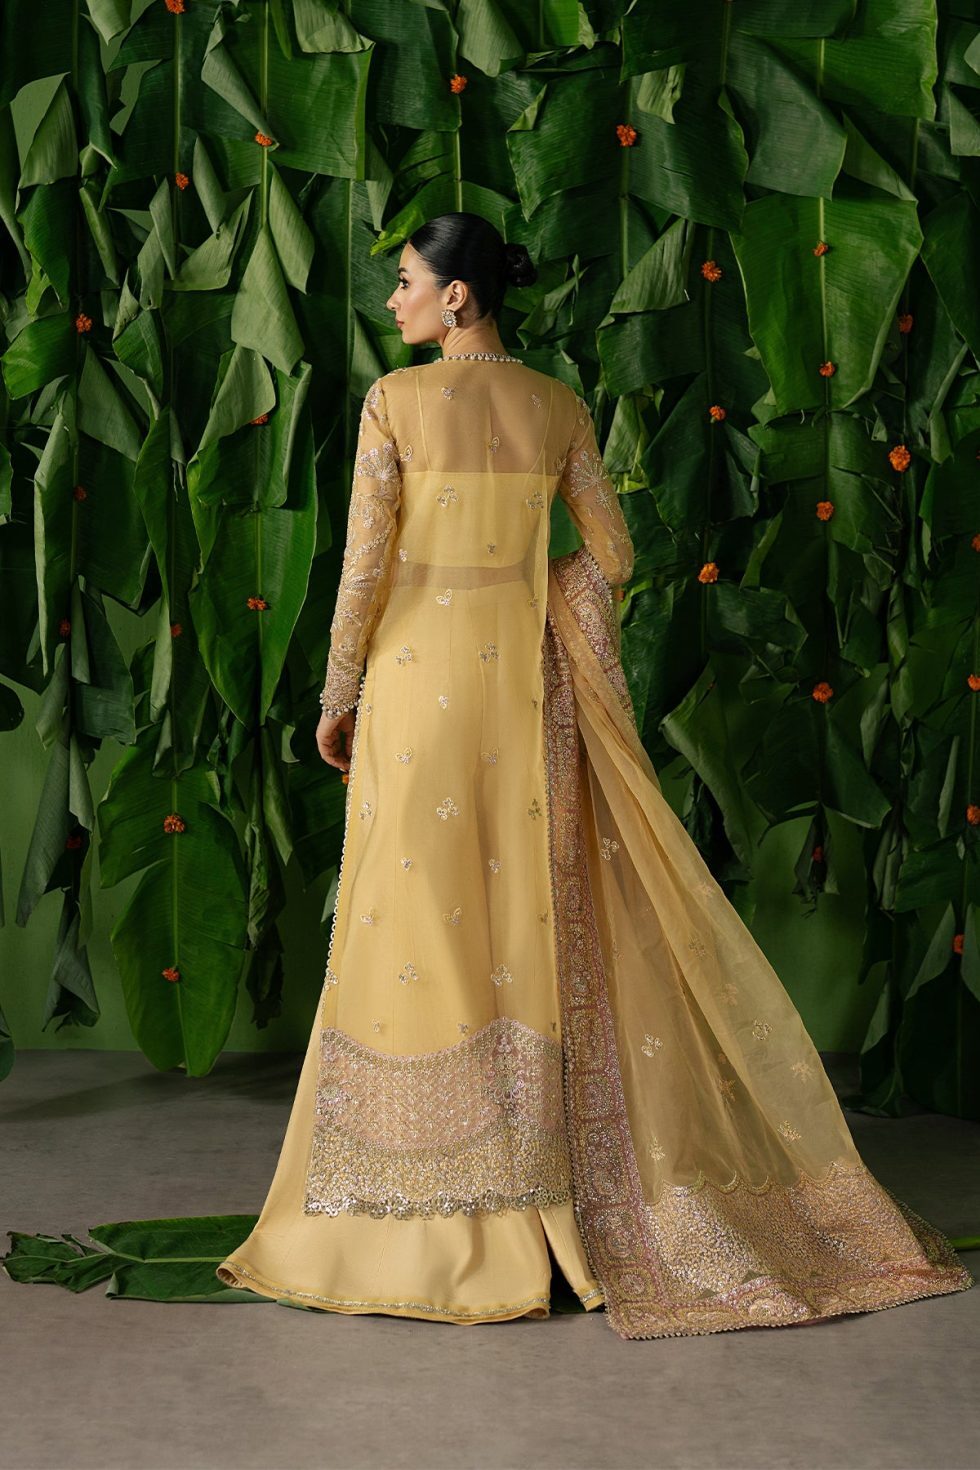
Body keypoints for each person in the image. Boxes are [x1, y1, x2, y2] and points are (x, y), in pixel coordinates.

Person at [215, 213, 974, 1338]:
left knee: (413, 922)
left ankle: (415, 1213)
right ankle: (542, 1212)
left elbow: (364, 567)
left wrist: (337, 694)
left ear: (458, 298)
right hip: (520, 694)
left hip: (415, 691)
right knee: (518, 921)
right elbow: (612, 556)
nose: (395, 300)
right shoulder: (557, 406)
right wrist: (536, 611)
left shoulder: (396, 402)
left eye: (408, 281)